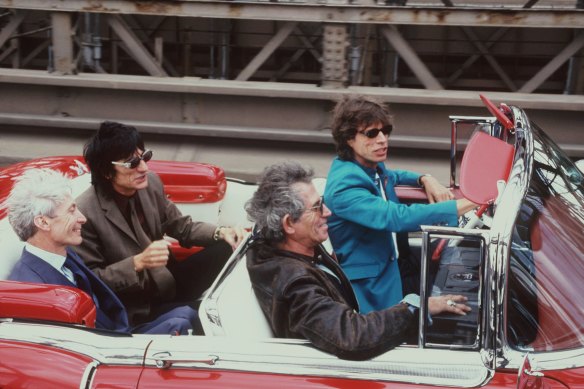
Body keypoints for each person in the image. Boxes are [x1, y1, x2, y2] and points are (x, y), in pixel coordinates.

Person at [245, 161, 470, 360]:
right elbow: (351, 336)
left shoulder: (290, 245)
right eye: (316, 207)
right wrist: (418, 307)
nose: (328, 212)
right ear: (289, 224)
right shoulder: (295, 285)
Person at [74, 121, 244, 331]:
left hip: (168, 280)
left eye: (145, 157)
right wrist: (137, 263)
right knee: (216, 318)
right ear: (107, 172)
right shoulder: (84, 213)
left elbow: (181, 227)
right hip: (138, 305)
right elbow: (92, 282)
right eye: (132, 163)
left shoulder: (151, 183)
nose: (144, 168)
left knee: (231, 247)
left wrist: (221, 232)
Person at [324, 95, 477, 313]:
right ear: (349, 138)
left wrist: (424, 178)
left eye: (385, 131)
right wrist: (467, 204)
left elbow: (393, 176)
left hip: (398, 264)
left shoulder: (369, 167)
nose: (382, 139)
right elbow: (395, 217)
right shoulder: (344, 186)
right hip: (374, 284)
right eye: (371, 133)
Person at [5, 168, 196, 335]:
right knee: (184, 322)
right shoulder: (33, 289)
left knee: (188, 314)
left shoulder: (65, 254)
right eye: (71, 211)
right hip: (107, 357)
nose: (82, 218)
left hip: (119, 330)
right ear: (43, 222)